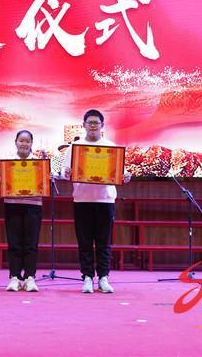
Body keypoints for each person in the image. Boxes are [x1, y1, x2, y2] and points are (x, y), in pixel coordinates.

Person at [63, 109, 131, 294]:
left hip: (105, 200)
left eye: (96, 123)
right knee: (84, 242)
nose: (93, 126)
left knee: (103, 242)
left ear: (102, 126)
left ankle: (103, 278)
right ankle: (86, 277)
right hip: (82, 199)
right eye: (90, 123)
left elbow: (121, 172)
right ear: (84, 125)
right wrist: (67, 173)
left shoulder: (111, 147)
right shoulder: (75, 147)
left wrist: (125, 176)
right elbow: (65, 172)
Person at [1, 130, 42, 292]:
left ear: (31, 143)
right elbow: (0, 186)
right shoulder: (7, 162)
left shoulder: (39, 163)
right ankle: (15, 277)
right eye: (21, 141)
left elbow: (45, 185)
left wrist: (47, 178)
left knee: (31, 244)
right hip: (12, 205)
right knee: (14, 243)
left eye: (27, 141)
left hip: (33, 205)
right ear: (15, 142)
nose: (24, 144)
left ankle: (30, 277)